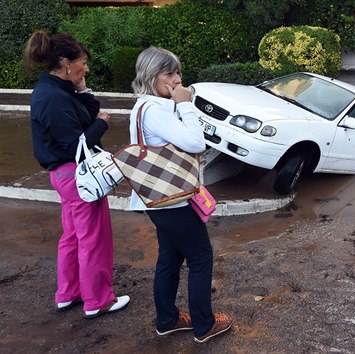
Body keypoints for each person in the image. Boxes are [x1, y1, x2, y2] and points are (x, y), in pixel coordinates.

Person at [128, 46, 233, 343]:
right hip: (172, 198)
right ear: (151, 75)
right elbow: (195, 142)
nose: (176, 79)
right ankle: (204, 325)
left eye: (178, 72)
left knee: (170, 258)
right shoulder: (157, 111)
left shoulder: (144, 106)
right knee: (200, 257)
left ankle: (168, 319)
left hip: (159, 197)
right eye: (168, 72)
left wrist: (178, 104)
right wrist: (185, 104)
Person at [23, 31, 130, 318]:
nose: (87, 68)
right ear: (66, 62)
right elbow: (75, 145)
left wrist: (83, 90)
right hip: (78, 175)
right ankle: (98, 300)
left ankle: (68, 293)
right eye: (83, 62)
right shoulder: (54, 97)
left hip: (66, 177)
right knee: (93, 238)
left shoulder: (56, 90)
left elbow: (86, 112)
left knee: (72, 236)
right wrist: (101, 125)